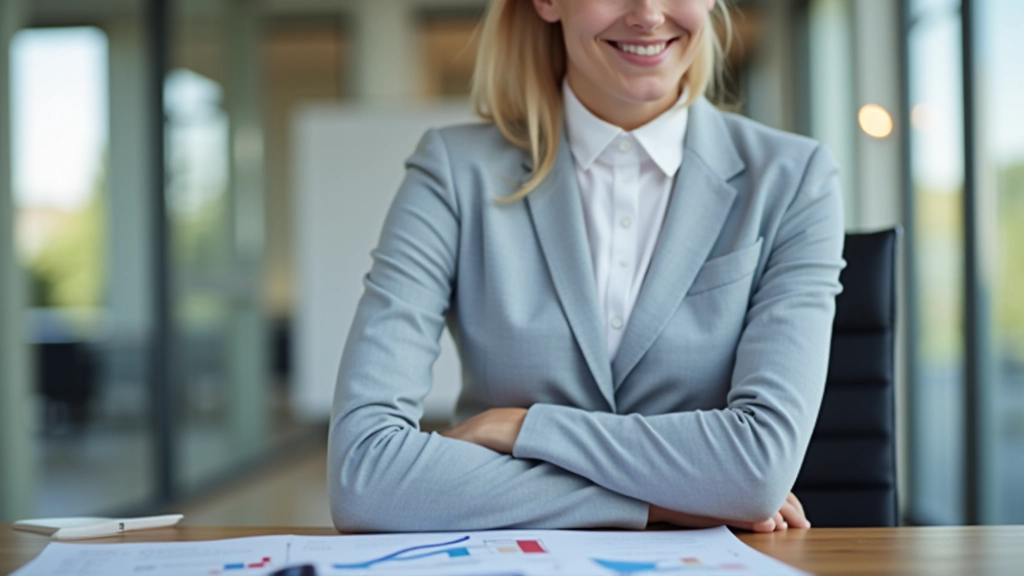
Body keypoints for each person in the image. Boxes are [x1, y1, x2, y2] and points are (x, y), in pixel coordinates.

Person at [328, 0, 844, 533]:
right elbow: (363, 477)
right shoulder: (454, 173)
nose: (648, 14)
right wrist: (663, 504)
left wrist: (523, 429)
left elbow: (757, 470)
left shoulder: (793, 179)